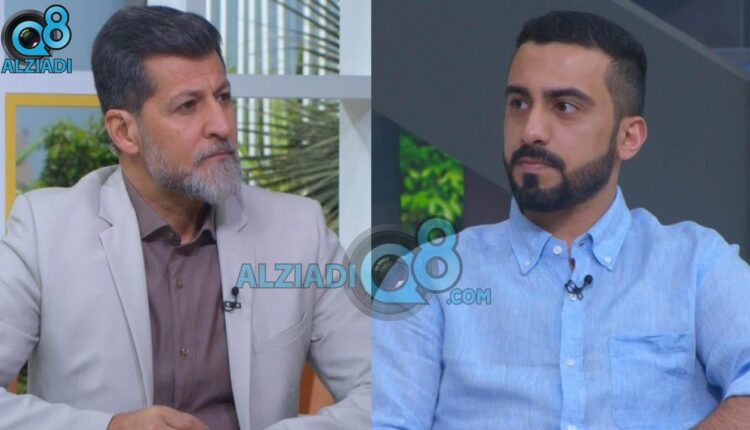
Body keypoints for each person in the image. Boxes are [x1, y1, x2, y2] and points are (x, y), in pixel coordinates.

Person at [372, 10, 750, 429]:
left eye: (565, 107)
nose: (531, 130)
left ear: (628, 137)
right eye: (519, 103)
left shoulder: (695, 264)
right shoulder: (429, 279)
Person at [0, 6, 370, 430]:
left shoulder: (299, 231)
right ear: (124, 131)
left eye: (223, 97)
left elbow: (384, 388)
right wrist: (112, 427)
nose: (222, 125)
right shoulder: (45, 232)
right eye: (188, 106)